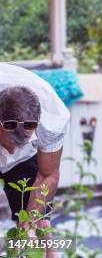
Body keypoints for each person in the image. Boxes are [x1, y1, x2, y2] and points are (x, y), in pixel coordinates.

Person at [0, 63, 70, 223]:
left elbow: (48, 175)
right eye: (7, 144)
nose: (11, 152)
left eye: (19, 144)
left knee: (39, 223)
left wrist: (29, 224)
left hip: (26, 160)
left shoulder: (53, 118)